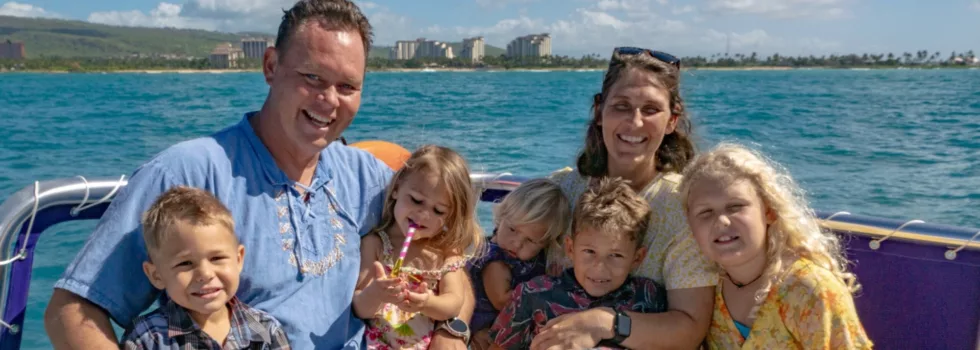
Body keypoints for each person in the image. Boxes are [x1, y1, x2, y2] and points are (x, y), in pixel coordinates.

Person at [42, 1, 473, 349]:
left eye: (347, 87)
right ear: (270, 67)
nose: (328, 101)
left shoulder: (373, 182)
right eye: (312, 78)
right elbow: (72, 309)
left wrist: (453, 332)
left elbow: (451, 263)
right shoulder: (188, 172)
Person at [535, 47, 716, 350]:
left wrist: (604, 323)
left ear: (672, 120)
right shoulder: (560, 192)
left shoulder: (684, 207)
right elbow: (503, 261)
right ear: (599, 111)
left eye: (650, 109)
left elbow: (690, 328)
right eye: (621, 106)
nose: (634, 122)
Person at [679, 143, 873, 349]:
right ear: (691, 227)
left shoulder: (809, 289)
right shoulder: (706, 287)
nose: (722, 221)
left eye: (735, 207)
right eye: (705, 213)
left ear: (769, 212)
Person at [489, 177, 667, 350]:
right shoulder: (532, 294)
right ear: (570, 248)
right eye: (589, 252)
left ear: (637, 258)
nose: (600, 267)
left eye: (615, 255)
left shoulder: (650, 297)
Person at [120, 186, 291, 349]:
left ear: (238, 259)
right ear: (156, 275)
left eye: (217, 258)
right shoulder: (148, 338)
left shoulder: (265, 330)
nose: (205, 274)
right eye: (185, 263)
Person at [353, 145, 484, 349]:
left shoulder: (446, 251)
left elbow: (453, 304)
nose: (423, 215)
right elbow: (360, 307)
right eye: (416, 200)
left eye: (438, 211)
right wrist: (377, 293)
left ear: (450, 216)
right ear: (396, 189)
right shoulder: (376, 244)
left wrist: (426, 304)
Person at [466, 178, 571, 350]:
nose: (516, 243)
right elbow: (502, 301)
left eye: (530, 240)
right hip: (487, 331)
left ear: (546, 243)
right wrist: (548, 284)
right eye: (512, 229)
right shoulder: (496, 261)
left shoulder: (534, 256)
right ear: (502, 217)